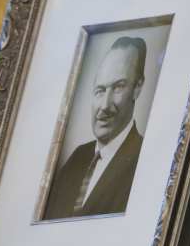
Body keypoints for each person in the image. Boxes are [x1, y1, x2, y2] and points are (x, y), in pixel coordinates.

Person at [44, 36, 146, 219]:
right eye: (100, 90)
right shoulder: (76, 158)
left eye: (118, 87)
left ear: (137, 87)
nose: (105, 105)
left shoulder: (145, 159)